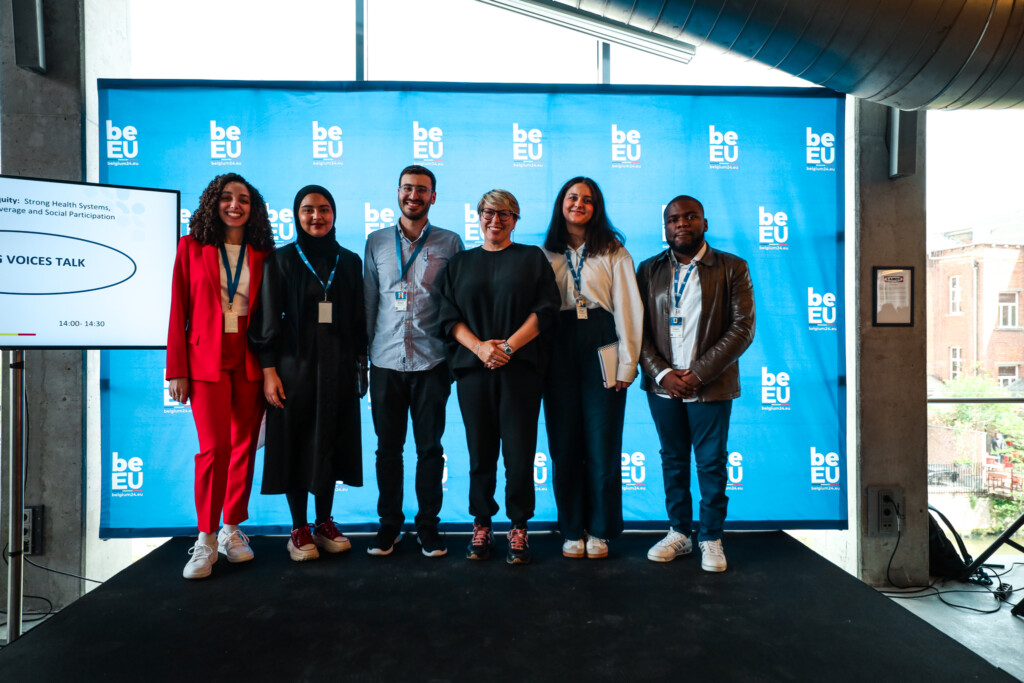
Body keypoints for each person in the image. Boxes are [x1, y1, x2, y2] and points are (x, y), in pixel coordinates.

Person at [438, 189, 560, 565]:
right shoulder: (460, 262)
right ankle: (482, 524)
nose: (496, 219)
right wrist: (480, 348)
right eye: (489, 212)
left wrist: (507, 347)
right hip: (474, 372)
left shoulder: (530, 258)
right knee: (480, 453)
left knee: (520, 453)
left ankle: (519, 526)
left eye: (505, 213)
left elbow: (546, 310)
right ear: (478, 215)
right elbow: (447, 316)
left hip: (520, 370)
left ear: (516, 219)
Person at [249, 184, 367, 562]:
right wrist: (270, 372)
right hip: (293, 369)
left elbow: (358, 319)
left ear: (334, 214)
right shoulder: (280, 261)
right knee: (296, 444)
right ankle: (298, 527)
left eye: (324, 209)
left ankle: (324, 522)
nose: (316, 216)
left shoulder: (349, 262)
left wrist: (360, 365)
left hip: (338, 367)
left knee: (331, 440)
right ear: (297, 215)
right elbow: (266, 322)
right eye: (307, 210)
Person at [167, 173, 276, 580]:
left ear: (253, 207)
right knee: (214, 449)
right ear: (214, 202)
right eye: (227, 198)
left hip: (249, 358)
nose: (235, 205)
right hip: (205, 361)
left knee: (245, 446)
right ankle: (206, 538)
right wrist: (176, 368)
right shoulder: (191, 247)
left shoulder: (264, 253)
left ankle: (232, 529)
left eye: (244, 199)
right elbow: (178, 308)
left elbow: (270, 316)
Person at [637, 195, 754, 572]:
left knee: (710, 463)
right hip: (663, 386)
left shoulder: (732, 267)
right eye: (673, 219)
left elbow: (742, 329)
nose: (681, 224)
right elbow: (635, 331)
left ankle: (711, 537)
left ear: (705, 222)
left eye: (690, 217)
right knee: (673, 461)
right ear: (665, 227)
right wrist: (663, 374)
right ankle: (679, 533)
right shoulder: (648, 270)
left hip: (711, 385)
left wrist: (698, 373)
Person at [363, 165, 463, 558]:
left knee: (429, 450)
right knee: (387, 449)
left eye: (422, 190)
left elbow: (455, 304)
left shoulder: (450, 242)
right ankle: (389, 526)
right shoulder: (375, 242)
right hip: (385, 362)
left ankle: (427, 527)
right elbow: (371, 300)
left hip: (432, 362)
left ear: (433, 197)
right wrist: (363, 356)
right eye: (407, 188)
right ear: (397, 192)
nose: (413, 195)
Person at [541, 177, 642, 560]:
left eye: (587, 199)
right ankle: (571, 529)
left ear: (596, 207)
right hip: (558, 347)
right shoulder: (544, 252)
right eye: (572, 197)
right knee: (564, 445)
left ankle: (600, 529)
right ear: (561, 203)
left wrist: (627, 365)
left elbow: (630, 309)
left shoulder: (614, 251)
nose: (578, 204)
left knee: (602, 444)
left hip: (603, 345)